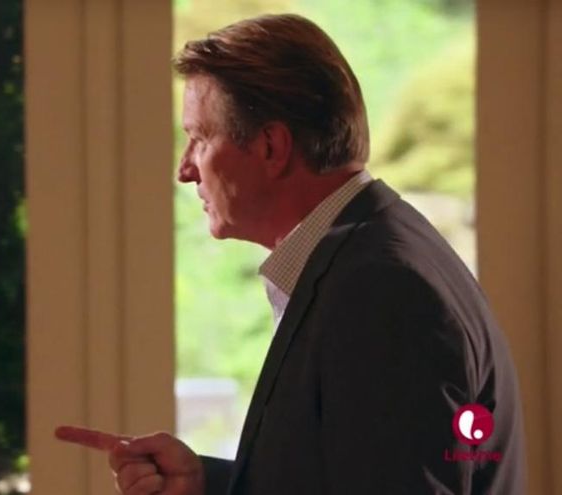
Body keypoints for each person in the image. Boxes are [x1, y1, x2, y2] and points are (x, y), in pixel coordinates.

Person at [56, 13, 525, 494]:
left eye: (199, 139)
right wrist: (205, 483)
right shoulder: (374, 258)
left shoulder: (383, 290)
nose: (185, 169)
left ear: (271, 147)